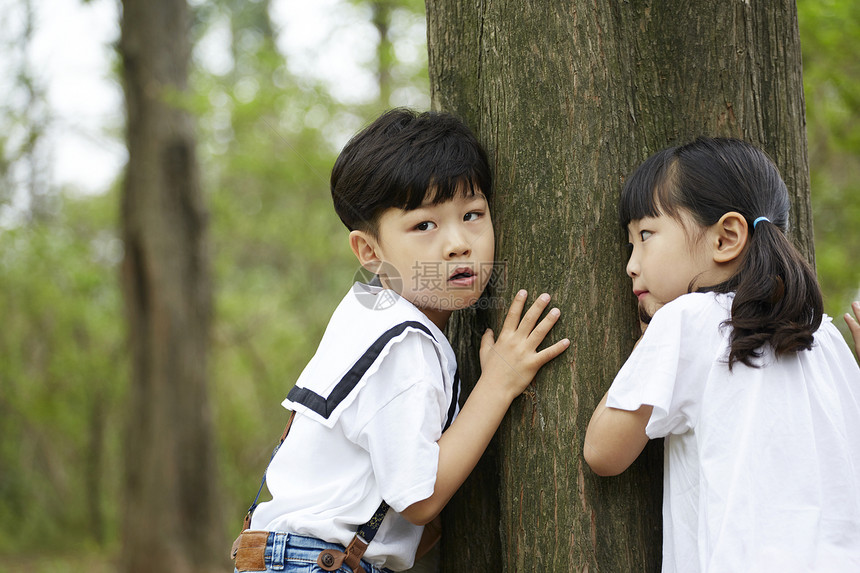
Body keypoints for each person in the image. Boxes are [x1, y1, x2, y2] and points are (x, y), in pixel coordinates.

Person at [231, 108, 570, 573]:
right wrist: (500, 381)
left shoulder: (365, 315)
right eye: (424, 225)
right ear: (370, 252)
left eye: (472, 214)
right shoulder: (403, 345)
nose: (458, 243)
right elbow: (420, 499)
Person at [583, 137, 860, 572]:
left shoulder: (688, 320)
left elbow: (603, 452)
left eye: (645, 235)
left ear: (726, 238)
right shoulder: (822, 335)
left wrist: (644, 347)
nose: (631, 264)